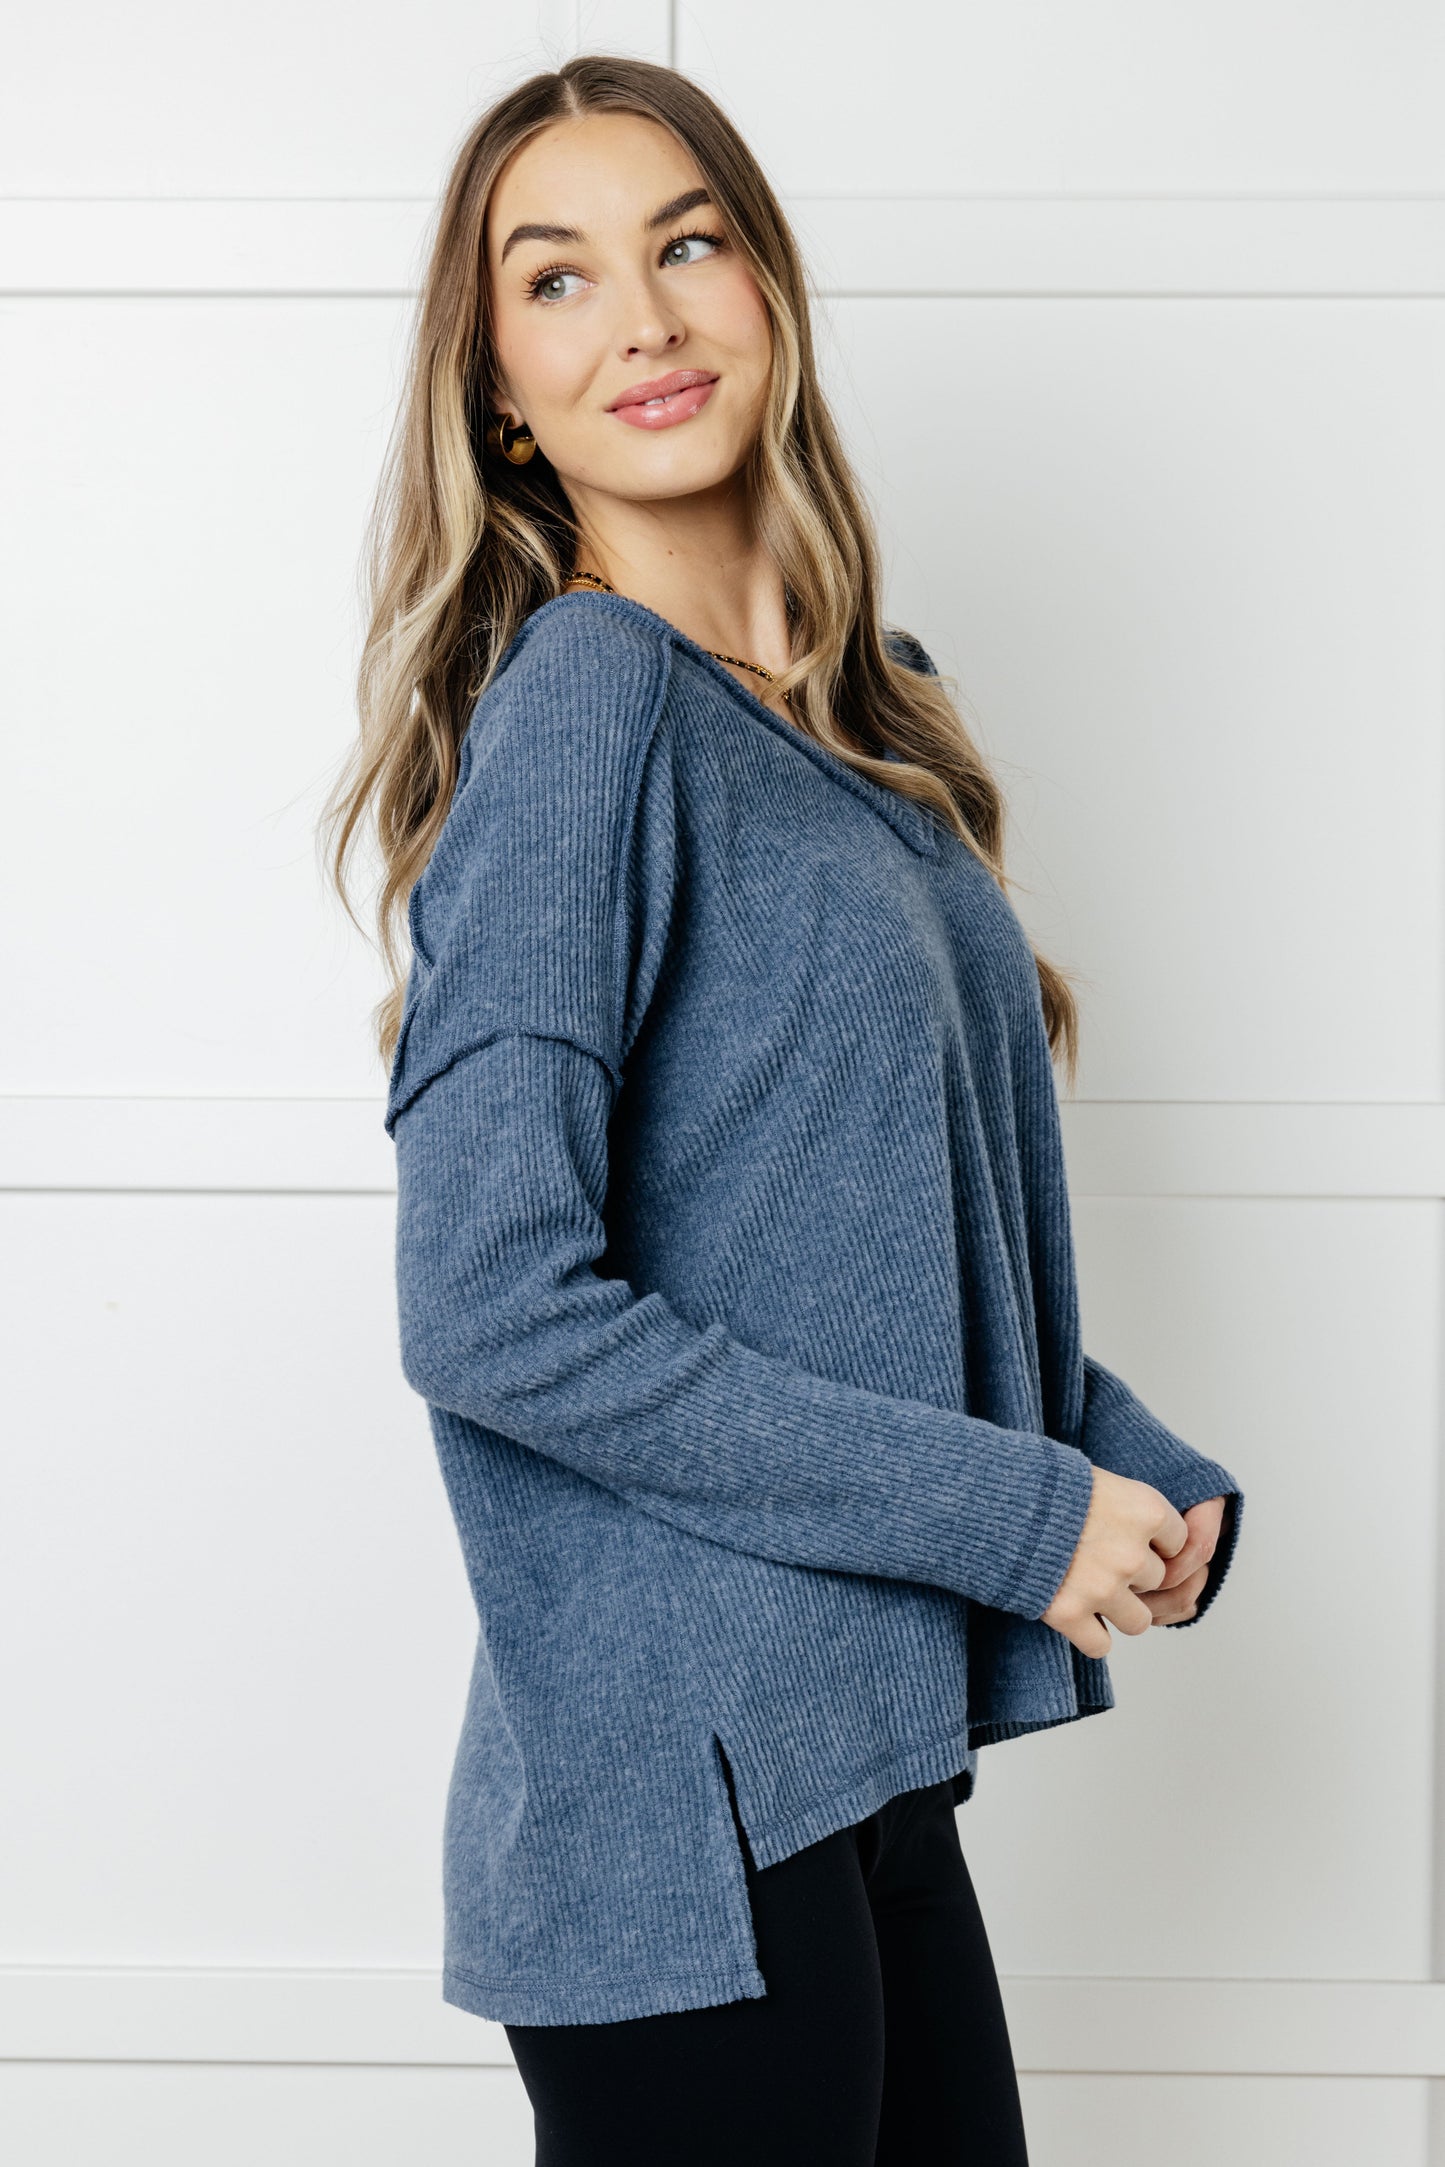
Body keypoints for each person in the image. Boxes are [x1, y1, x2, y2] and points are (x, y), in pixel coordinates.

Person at [322, 51, 1245, 2167]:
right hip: (683, 1815)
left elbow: (878, 1261)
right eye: (557, 280)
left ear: (768, 285)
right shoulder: (592, 703)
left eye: (687, 242)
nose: (643, 317)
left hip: (856, 1769)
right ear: (500, 396)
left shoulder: (863, 724)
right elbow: (490, 1304)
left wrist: (1117, 1462)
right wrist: (1015, 1515)